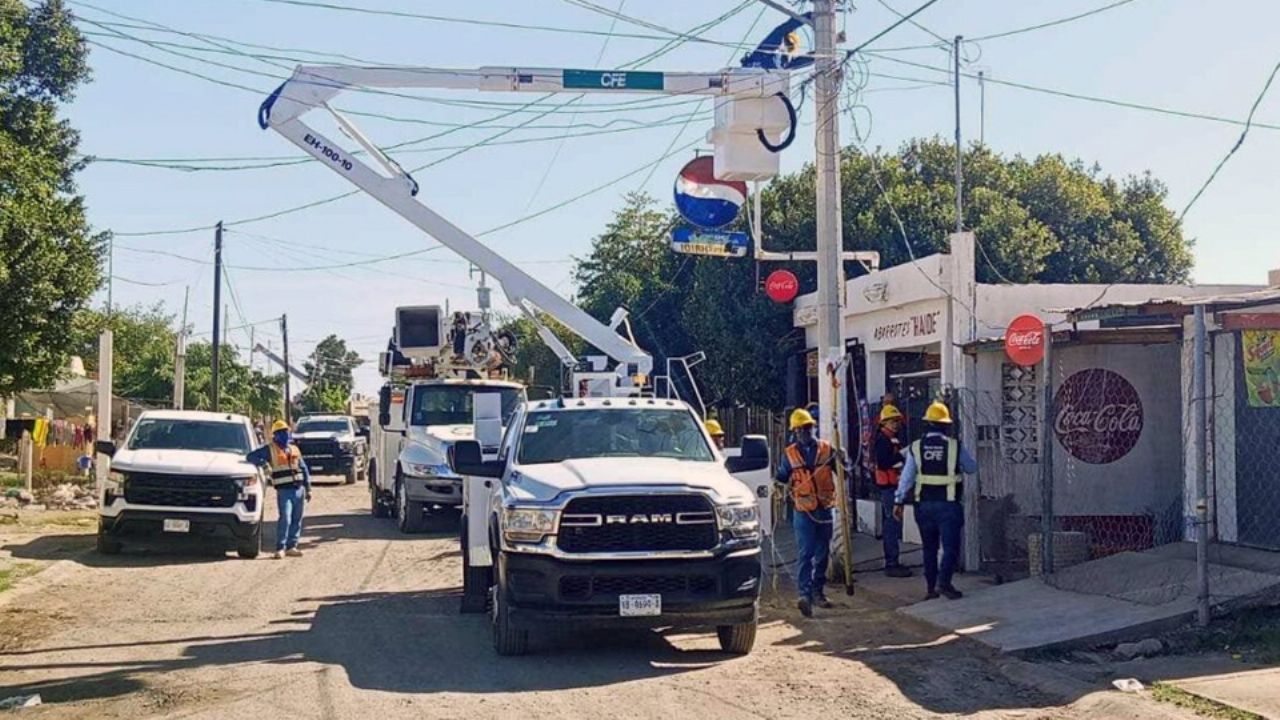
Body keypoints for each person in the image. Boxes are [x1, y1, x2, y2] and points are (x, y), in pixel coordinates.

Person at [893, 402, 977, 600]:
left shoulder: (916, 447)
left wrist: (898, 501)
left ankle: (931, 589)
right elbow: (972, 468)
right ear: (946, 425)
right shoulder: (955, 446)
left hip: (923, 506)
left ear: (927, 424)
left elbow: (906, 478)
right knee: (950, 548)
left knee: (929, 548)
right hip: (948, 505)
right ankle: (944, 583)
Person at [776, 408, 838, 618]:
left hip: (825, 508)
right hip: (803, 512)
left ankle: (817, 591)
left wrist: (843, 460)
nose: (806, 431)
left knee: (822, 555)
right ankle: (804, 595)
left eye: (809, 427)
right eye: (801, 429)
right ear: (795, 431)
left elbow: (844, 472)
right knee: (806, 553)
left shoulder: (827, 450)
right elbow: (782, 478)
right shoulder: (790, 454)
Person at [247, 419, 313, 559]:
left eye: (286, 432)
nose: (284, 434)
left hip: (298, 489)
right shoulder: (269, 449)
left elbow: (303, 468)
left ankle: (292, 546)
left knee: (297, 519)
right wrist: (264, 464)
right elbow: (251, 456)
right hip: (284, 491)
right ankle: (280, 548)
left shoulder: (294, 449)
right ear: (275, 435)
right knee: (286, 518)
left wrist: (308, 487)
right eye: (281, 432)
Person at [874, 404, 912, 578]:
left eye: (897, 421)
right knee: (892, 524)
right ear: (884, 423)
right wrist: (902, 455)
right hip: (888, 488)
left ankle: (893, 561)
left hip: (893, 486)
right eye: (892, 421)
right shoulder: (882, 440)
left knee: (894, 524)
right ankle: (891, 563)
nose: (896, 424)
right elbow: (883, 462)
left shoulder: (892, 438)